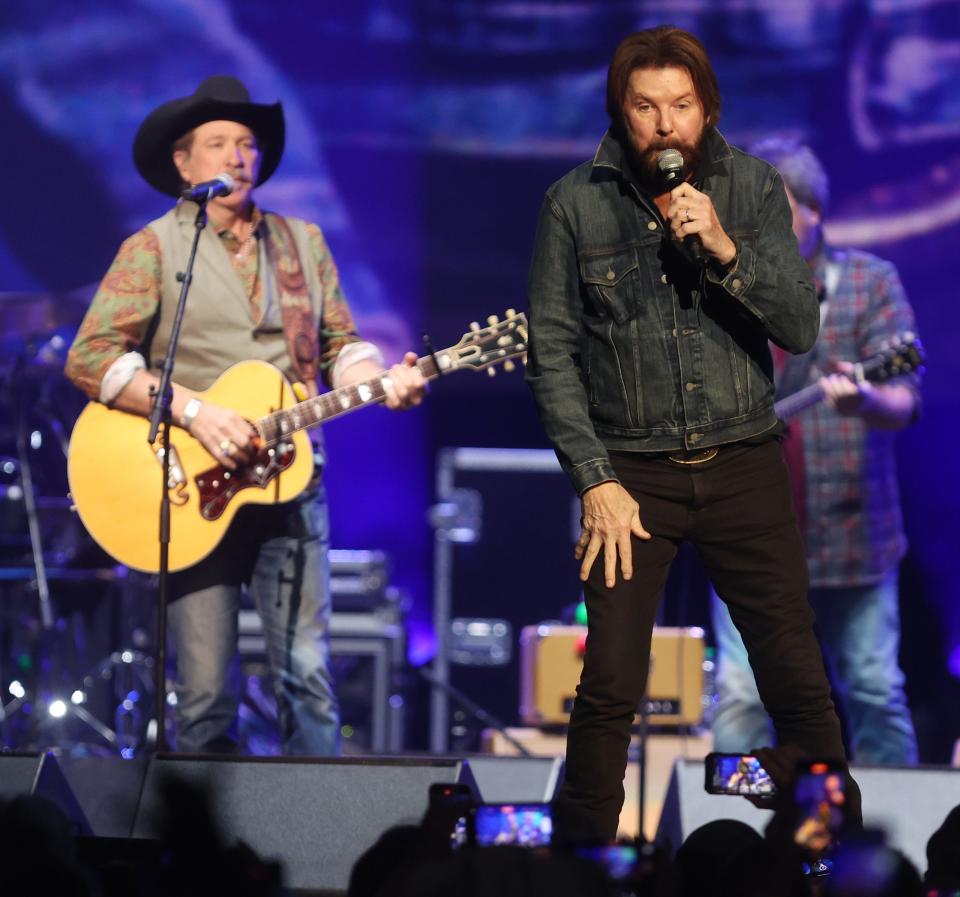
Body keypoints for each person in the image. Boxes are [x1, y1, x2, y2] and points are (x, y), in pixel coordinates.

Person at [525, 26, 858, 839]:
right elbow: (552, 356)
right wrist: (594, 479)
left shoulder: (751, 187)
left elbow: (799, 325)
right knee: (608, 685)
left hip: (744, 460)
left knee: (796, 677)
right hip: (631, 476)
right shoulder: (575, 202)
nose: (666, 126)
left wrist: (722, 245)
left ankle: (831, 858)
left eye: (682, 106)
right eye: (646, 108)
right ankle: (581, 869)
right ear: (622, 111)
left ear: (707, 108)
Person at [65, 75, 425, 755]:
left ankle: (318, 848)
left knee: (309, 677)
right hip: (187, 491)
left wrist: (377, 379)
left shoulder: (302, 244)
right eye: (220, 143)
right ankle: (203, 854)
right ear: (184, 162)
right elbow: (91, 358)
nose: (237, 156)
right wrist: (197, 413)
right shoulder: (154, 249)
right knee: (203, 695)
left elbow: (341, 346)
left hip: (294, 484)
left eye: (248, 144)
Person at [709, 138, 921, 765]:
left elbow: (905, 401)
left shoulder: (868, 283)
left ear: (814, 212)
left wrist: (864, 401)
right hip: (751, 538)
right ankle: (736, 847)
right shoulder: (720, 291)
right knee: (743, 698)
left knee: (875, 692)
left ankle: (891, 851)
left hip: (853, 539)